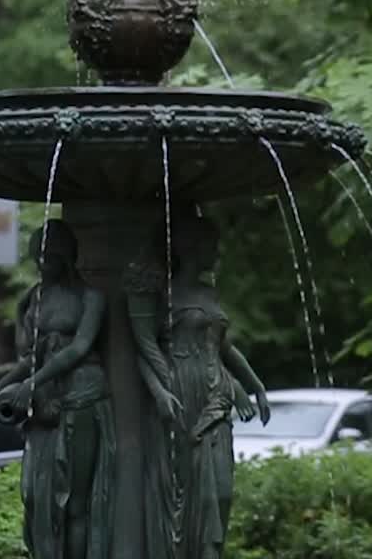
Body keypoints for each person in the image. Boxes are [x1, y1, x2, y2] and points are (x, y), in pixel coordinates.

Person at [127, 213, 270, 559]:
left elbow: (224, 346)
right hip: (178, 393)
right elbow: (142, 348)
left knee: (220, 493)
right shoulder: (161, 292)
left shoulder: (208, 292)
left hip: (215, 395)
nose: (216, 253)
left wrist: (255, 386)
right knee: (185, 493)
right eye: (211, 246)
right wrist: (160, 392)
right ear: (190, 247)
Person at [0, 220, 115, 559]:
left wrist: (32, 383)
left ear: (65, 255)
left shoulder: (91, 296)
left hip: (83, 395)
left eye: (47, 256)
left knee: (74, 501)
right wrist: (3, 388)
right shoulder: (35, 298)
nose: (40, 264)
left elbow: (80, 347)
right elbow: (31, 356)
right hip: (46, 401)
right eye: (36, 257)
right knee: (35, 495)